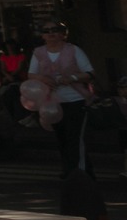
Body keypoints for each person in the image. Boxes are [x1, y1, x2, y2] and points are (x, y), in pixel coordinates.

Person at [29, 21, 97, 175]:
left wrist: (72, 78)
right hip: (52, 102)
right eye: (46, 30)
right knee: (62, 138)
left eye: (55, 30)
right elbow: (31, 74)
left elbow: (90, 73)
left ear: (62, 33)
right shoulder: (38, 52)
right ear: (42, 35)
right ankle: (69, 170)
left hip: (75, 100)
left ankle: (80, 172)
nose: (51, 33)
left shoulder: (73, 50)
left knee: (75, 138)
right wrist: (44, 80)